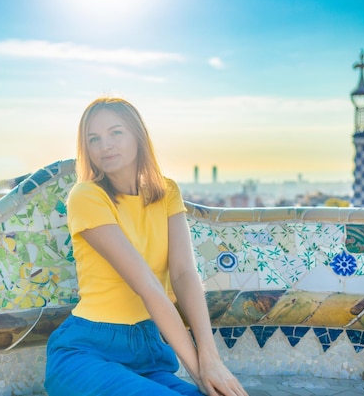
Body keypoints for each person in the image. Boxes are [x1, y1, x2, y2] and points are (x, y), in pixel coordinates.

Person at [45, 97, 247, 396]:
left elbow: (183, 274)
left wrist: (211, 359)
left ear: (138, 136)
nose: (105, 146)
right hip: (87, 353)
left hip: (148, 353)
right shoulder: (86, 196)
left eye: (116, 133)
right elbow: (148, 286)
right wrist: (202, 377)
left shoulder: (167, 192)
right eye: (94, 139)